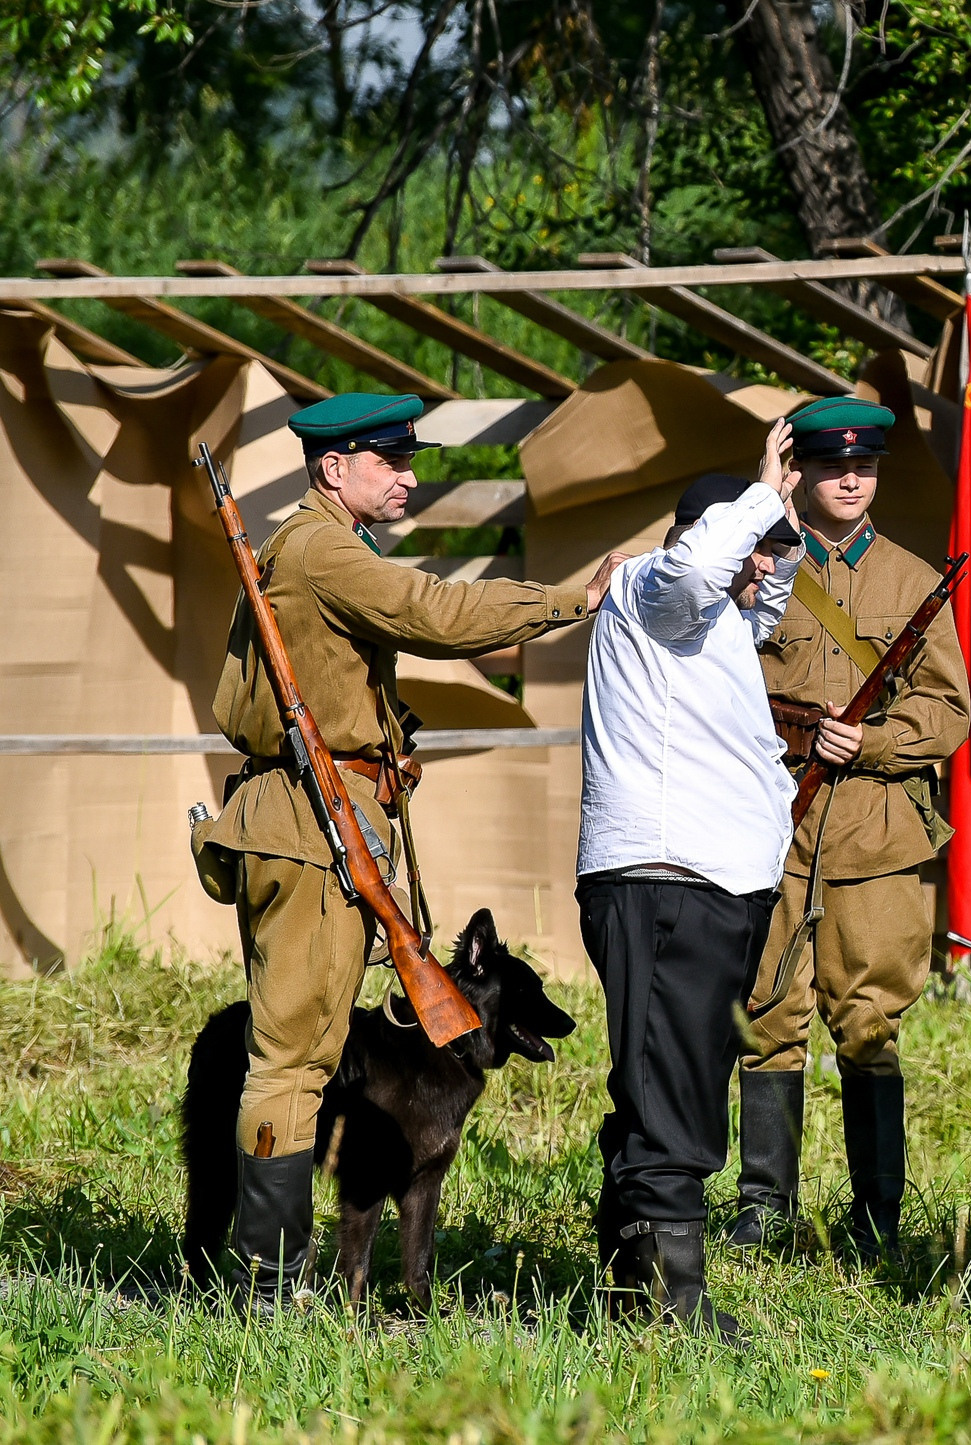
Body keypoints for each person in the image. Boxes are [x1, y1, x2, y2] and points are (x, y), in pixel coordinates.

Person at [202, 392, 616, 1307]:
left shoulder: (320, 545)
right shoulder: (322, 549)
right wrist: (566, 601)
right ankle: (266, 1290)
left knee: (304, 1050)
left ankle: (282, 1278)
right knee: (295, 1057)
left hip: (326, 815)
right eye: (390, 460)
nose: (410, 476)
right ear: (332, 466)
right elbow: (435, 612)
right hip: (312, 826)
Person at [578, 424, 806, 1340]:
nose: (763, 572)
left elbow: (757, 608)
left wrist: (778, 523)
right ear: (715, 538)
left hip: (705, 886)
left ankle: (633, 1280)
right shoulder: (650, 589)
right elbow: (696, 573)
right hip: (667, 882)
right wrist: (756, 495)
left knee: (669, 1075)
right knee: (670, 1084)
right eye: (754, 553)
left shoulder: (708, 628)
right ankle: (672, 1297)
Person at [730, 397, 968, 1256]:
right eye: (834, 465)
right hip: (774, 828)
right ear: (800, 472)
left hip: (877, 833)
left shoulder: (913, 580)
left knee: (870, 1023)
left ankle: (877, 1222)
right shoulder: (759, 571)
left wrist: (873, 740)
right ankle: (765, 1211)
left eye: (864, 464)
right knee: (766, 1016)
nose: (853, 477)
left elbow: (950, 710)